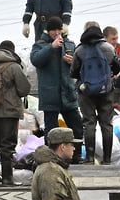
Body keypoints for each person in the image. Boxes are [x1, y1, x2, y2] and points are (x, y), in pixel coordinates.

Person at [0, 39, 33, 186]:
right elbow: (24, 89)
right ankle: (8, 179)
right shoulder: (14, 66)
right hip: (9, 112)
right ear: (12, 51)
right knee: (7, 146)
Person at [30, 17, 84, 159]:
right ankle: (51, 157)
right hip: (50, 94)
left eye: (59, 29)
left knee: (77, 126)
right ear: (48, 31)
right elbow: (36, 60)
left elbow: (80, 66)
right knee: (51, 130)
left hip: (68, 93)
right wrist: (51, 47)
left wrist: (73, 62)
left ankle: (76, 155)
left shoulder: (70, 44)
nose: (57, 32)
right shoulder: (40, 45)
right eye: (54, 30)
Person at [70, 23, 120, 164]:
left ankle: (90, 158)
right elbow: (117, 69)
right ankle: (107, 159)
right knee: (106, 124)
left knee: (89, 123)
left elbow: (73, 72)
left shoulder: (80, 50)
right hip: (106, 91)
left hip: (86, 92)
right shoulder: (109, 48)